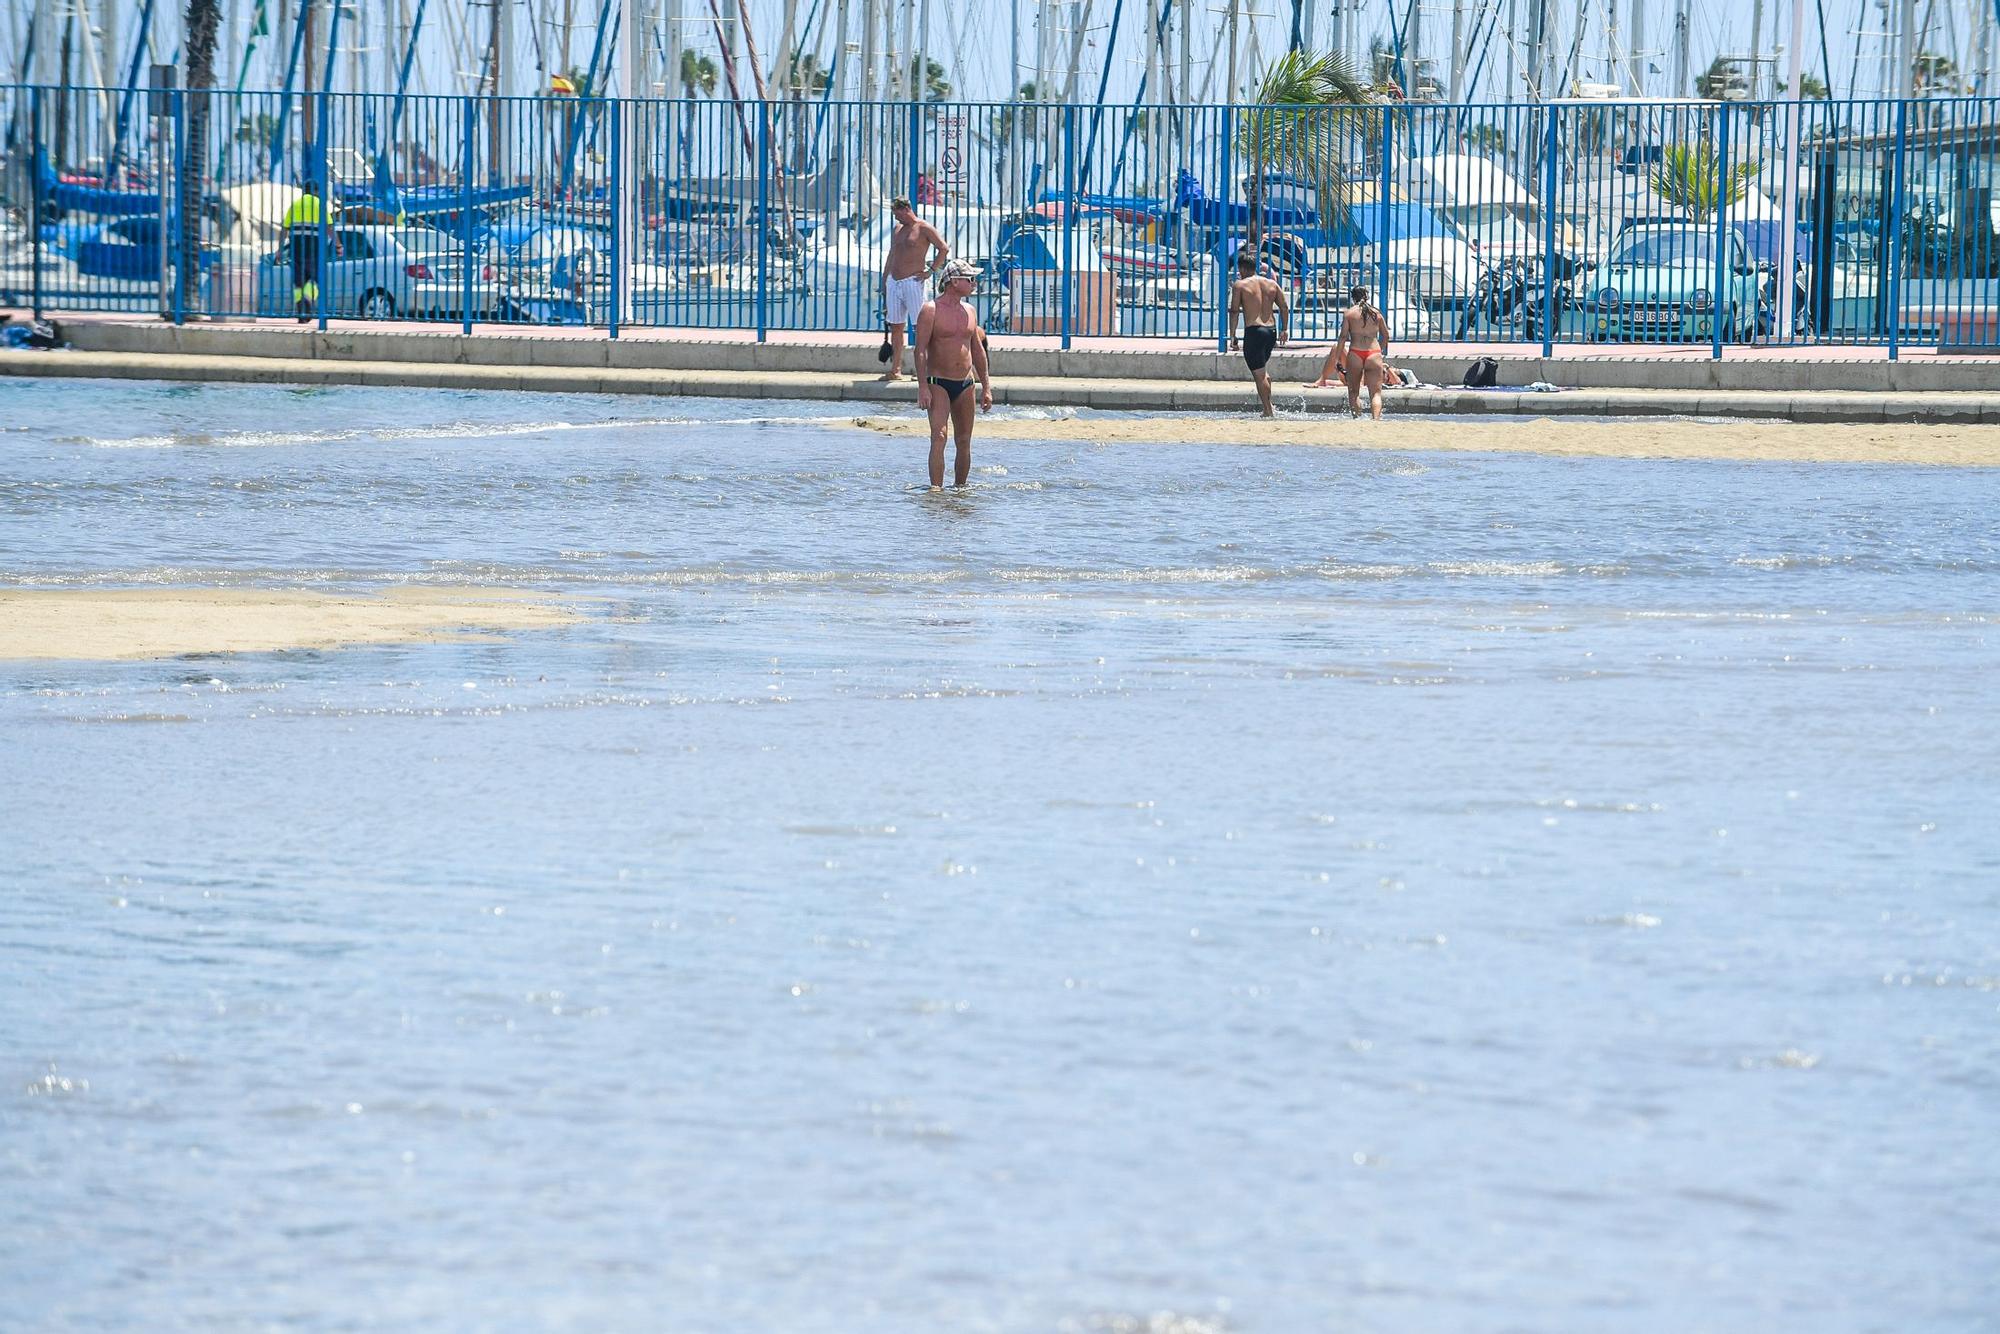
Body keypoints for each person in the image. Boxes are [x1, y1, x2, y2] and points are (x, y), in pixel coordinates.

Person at [914, 259, 993, 489]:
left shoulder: (969, 310)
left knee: (964, 440)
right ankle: (936, 491)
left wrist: (986, 387)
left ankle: (960, 490)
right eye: (970, 279)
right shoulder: (931, 310)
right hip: (938, 382)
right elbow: (920, 350)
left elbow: (977, 350)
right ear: (954, 281)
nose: (974, 283)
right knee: (939, 437)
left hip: (965, 384)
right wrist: (922, 387)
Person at [879, 196, 949, 382]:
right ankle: (896, 369)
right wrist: (885, 279)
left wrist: (930, 271)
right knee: (896, 326)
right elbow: (892, 254)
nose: (896, 219)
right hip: (894, 281)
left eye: (897, 214)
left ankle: (923, 369)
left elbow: (943, 248)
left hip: (913, 281)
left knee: (921, 326)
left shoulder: (923, 228)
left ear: (905, 209)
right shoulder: (898, 229)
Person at [1307, 286, 1390, 419]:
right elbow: (1386, 336)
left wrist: (1335, 360)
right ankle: (1375, 420)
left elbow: (1343, 337)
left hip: (1356, 353)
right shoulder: (1376, 314)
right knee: (1375, 393)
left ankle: (1357, 418)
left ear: (1353, 298)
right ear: (1367, 296)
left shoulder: (1349, 314)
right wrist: (1379, 352)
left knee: (1353, 392)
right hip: (1373, 353)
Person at [1227, 251, 1289, 417]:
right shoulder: (1272, 284)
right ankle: (1269, 406)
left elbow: (1234, 311)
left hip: (1254, 331)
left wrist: (1232, 336)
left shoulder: (1240, 285)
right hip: (1271, 332)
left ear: (1241, 268)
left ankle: (1268, 411)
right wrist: (1284, 329)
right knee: (1262, 371)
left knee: (1259, 374)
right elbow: (1284, 307)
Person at [280, 182, 337, 324]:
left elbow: (284, 229)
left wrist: (280, 250)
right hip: (314, 249)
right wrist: (338, 245)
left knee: (299, 282)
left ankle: (302, 313)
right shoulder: (320, 205)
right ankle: (308, 297)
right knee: (316, 280)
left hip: (296, 248)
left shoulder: (295, 205)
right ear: (316, 191)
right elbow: (329, 228)